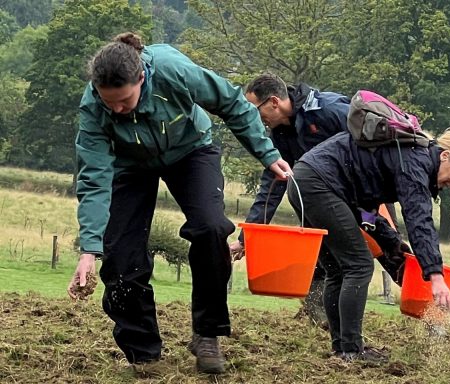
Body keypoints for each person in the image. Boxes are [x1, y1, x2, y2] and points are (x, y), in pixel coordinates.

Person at [67, 33, 291, 374]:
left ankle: (207, 334)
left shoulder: (173, 71)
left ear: (141, 78)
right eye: (108, 101)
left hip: (191, 150)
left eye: (124, 101)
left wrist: (267, 154)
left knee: (212, 228)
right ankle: (143, 354)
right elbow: (95, 179)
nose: (116, 109)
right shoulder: (93, 109)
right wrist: (89, 249)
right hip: (129, 164)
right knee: (121, 257)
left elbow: (232, 102)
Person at [289, 126, 450, 363]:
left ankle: (343, 348)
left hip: (305, 180)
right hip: (320, 185)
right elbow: (419, 220)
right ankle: (352, 351)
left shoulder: (408, 154)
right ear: (445, 156)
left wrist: (393, 243)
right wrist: (436, 276)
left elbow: (367, 209)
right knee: (359, 265)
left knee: (338, 269)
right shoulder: (416, 163)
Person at [227, 72, 351, 327]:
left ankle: (431, 306)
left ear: (274, 102)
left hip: (364, 197)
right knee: (329, 258)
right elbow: (272, 187)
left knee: (386, 253)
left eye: (256, 110)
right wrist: (245, 240)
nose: (256, 119)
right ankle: (328, 321)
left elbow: (369, 145)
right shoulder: (282, 135)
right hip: (324, 205)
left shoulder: (329, 111)